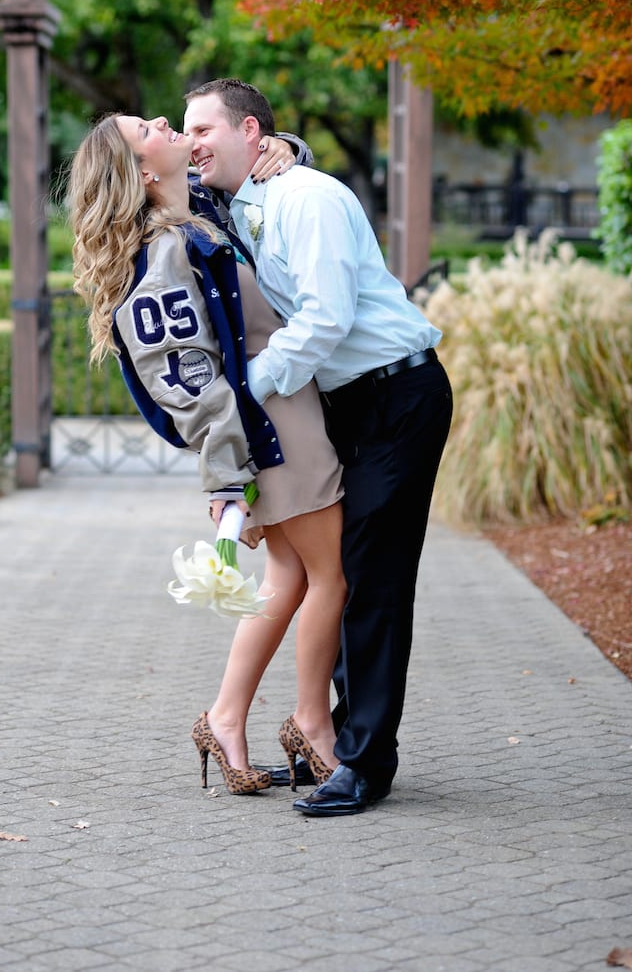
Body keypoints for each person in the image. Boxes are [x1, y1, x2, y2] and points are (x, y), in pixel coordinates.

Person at [183, 79, 454, 816]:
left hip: (397, 395)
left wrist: (245, 394)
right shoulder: (237, 201)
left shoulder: (308, 199)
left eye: (204, 129)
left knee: (371, 578)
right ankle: (325, 734)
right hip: (341, 405)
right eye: (186, 132)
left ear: (249, 130)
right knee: (329, 568)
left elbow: (326, 320)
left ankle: (364, 764)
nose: (192, 142)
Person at [68, 113, 347, 798]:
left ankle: (226, 718)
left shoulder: (200, 212)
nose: (165, 121)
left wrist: (285, 150)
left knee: (290, 576)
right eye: (149, 127)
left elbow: (253, 171)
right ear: (139, 170)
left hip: (284, 414)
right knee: (333, 574)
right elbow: (189, 384)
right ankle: (313, 726)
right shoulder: (159, 259)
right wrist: (229, 475)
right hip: (273, 429)